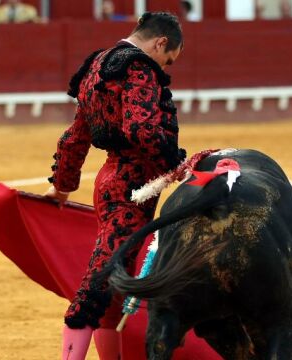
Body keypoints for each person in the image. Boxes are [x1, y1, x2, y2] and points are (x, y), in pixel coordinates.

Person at [45, 11, 185, 360]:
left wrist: (62, 186)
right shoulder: (139, 68)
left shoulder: (97, 66)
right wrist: (176, 164)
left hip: (110, 180)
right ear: (160, 42)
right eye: (167, 59)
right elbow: (142, 129)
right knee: (101, 279)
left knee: (114, 282)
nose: (165, 69)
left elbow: (76, 135)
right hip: (130, 188)